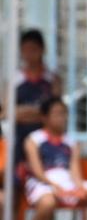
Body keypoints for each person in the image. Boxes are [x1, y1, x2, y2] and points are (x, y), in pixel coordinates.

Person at [13, 30, 59, 163]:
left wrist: (24, 111)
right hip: (20, 136)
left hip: (44, 138)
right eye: (25, 50)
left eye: (33, 49)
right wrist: (39, 110)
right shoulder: (15, 80)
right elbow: (9, 112)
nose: (29, 54)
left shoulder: (52, 80)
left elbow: (54, 111)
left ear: (42, 50)